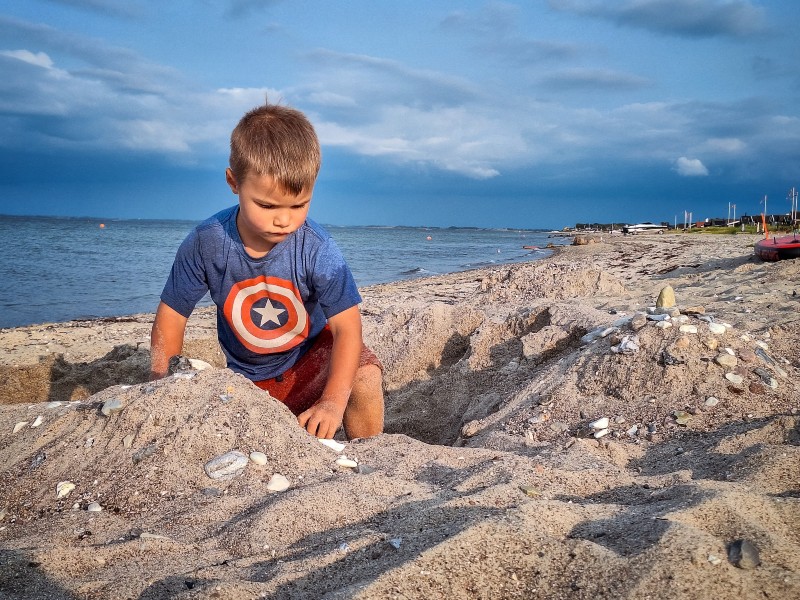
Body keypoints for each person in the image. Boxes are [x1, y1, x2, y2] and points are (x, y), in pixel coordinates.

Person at [150, 103, 384, 440]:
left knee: (365, 375)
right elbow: (171, 318)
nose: (284, 220)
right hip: (247, 380)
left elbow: (348, 328)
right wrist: (162, 387)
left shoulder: (317, 248)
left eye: (298, 205)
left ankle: (369, 453)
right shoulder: (207, 242)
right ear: (234, 182)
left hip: (311, 363)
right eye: (267, 205)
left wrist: (332, 403)